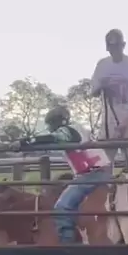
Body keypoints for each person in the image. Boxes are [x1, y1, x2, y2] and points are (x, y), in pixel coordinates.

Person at [16, 104, 111, 243]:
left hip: (91, 174)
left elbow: (54, 137)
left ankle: (67, 243)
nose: (50, 128)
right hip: (99, 172)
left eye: (51, 124)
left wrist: (25, 142)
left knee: (62, 207)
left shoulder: (68, 131)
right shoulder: (77, 129)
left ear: (58, 122)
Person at [91, 29, 128, 174]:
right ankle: (106, 187)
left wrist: (126, 122)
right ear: (107, 47)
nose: (114, 49)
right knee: (104, 165)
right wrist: (102, 86)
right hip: (108, 123)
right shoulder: (102, 66)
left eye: (117, 46)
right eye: (111, 46)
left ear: (123, 45)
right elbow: (94, 92)